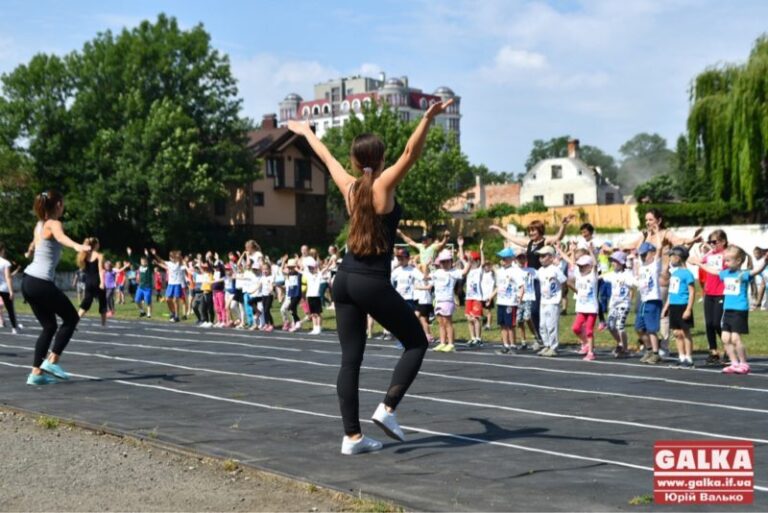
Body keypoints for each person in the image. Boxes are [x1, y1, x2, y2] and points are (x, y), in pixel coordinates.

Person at [287, 98, 451, 455]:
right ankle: (388, 409)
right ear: (378, 160)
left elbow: (325, 155)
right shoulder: (381, 187)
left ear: (355, 160)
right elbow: (410, 153)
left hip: (343, 280)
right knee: (417, 342)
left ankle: (352, 437)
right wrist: (426, 118)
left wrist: (304, 131)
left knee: (350, 361)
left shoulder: (349, 187)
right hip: (370, 280)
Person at [22, 190, 90, 385]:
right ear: (58, 205)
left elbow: (36, 244)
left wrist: (30, 249)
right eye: (63, 204)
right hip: (40, 281)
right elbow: (61, 238)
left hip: (29, 281)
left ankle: (36, 374)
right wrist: (77, 246)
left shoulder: (39, 225)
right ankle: (53, 361)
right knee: (71, 318)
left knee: (49, 326)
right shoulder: (54, 223)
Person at [692, 246, 767, 374]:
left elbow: (756, 271)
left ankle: (744, 363)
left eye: (728, 260)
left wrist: (765, 262)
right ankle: (734, 363)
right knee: (726, 338)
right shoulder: (725, 273)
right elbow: (712, 271)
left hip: (739, 310)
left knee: (735, 338)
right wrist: (699, 263)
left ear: (738, 261)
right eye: (725, 260)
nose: (725, 263)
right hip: (727, 310)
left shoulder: (743, 274)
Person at [662, 246, 696, 368]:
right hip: (674, 306)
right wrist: (666, 307)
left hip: (683, 305)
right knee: (676, 333)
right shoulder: (674, 273)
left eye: (671, 256)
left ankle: (689, 358)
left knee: (685, 332)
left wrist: (688, 309)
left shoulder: (687, 274)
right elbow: (671, 292)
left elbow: (692, 292)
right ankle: (681, 357)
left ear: (678, 257)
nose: (670, 258)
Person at [534, 246, 567, 357]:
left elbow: (563, 281)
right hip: (543, 302)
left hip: (553, 302)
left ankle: (553, 347)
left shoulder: (555, 269)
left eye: (544, 256)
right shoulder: (540, 271)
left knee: (551, 325)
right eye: (540, 256)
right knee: (542, 325)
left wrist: (561, 296)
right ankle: (546, 345)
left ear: (551, 257)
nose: (541, 259)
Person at [77, 237, 107, 326]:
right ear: (96, 245)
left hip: (88, 282)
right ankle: (103, 324)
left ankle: (75, 321)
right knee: (102, 301)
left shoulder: (84, 255)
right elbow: (101, 270)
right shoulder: (99, 255)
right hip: (97, 280)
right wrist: (102, 282)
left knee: (86, 302)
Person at [0, 242, 22, 333]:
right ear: (2, 250)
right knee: (10, 309)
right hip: (4, 288)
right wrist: (11, 291)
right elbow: (8, 277)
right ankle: (14, 328)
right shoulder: (5, 263)